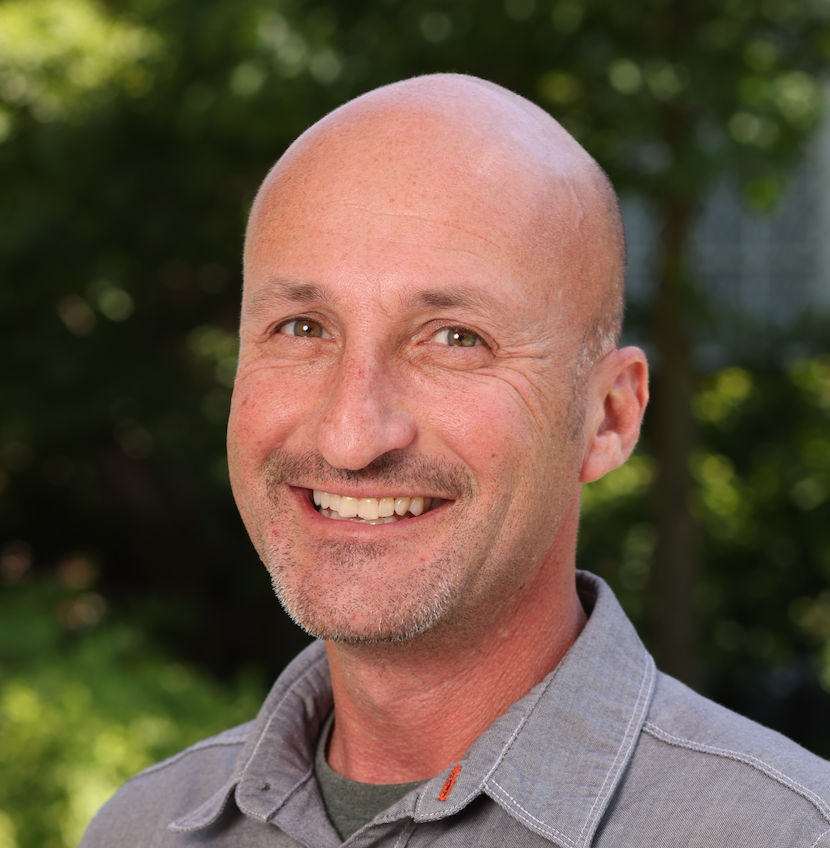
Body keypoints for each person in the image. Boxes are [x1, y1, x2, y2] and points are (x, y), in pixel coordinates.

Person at [80, 74, 830, 847]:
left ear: (608, 418)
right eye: (303, 328)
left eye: (455, 339)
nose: (350, 434)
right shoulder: (141, 830)